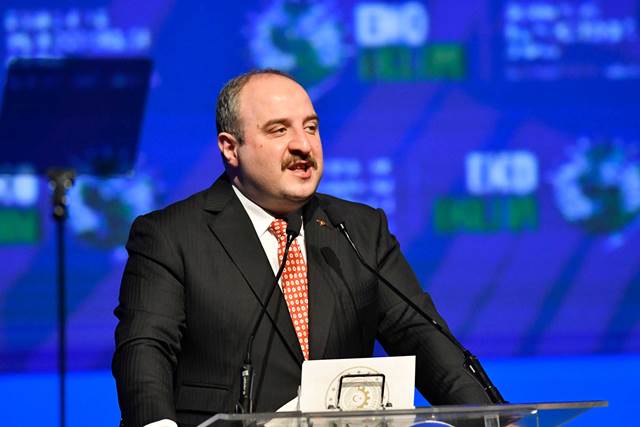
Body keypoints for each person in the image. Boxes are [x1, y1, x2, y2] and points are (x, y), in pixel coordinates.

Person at [112, 69, 497, 427]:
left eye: (311, 127)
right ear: (231, 148)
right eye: (279, 130)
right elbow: (145, 347)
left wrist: (488, 417)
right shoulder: (171, 235)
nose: (303, 145)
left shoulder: (359, 230)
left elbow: (421, 335)